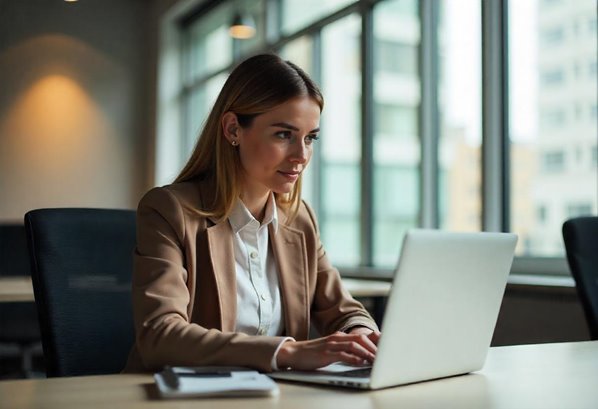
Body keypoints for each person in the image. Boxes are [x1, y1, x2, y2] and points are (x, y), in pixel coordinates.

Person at [124, 53, 379, 373]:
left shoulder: (299, 220)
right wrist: (287, 352)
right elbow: (160, 335)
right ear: (233, 129)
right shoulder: (170, 211)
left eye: (310, 138)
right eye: (284, 134)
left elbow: (342, 310)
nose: (301, 155)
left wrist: (363, 336)